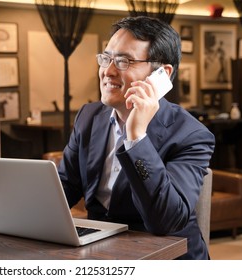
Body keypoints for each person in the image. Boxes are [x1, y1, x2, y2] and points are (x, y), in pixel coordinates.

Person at [57, 16, 215, 260]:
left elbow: (166, 221)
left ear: (162, 73)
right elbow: (65, 186)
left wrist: (137, 138)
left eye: (123, 61)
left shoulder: (191, 134)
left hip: (167, 258)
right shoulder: (89, 116)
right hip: (101, 253)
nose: (108, 71)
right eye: (106, 58)